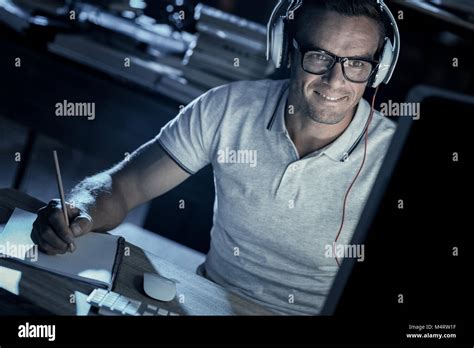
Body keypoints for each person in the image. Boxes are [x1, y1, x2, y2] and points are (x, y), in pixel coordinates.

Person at [32, 0, 397, 315]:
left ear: (378, 69)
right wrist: (80, 207)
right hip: (207, 301)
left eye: (357, 64)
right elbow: (123, 187)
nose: (335, 80)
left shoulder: (393, 155)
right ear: (287, 50)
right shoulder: (227, 107)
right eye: (319, 56)